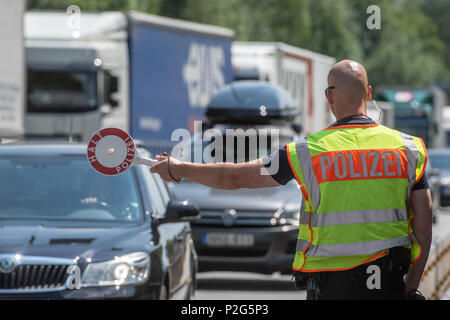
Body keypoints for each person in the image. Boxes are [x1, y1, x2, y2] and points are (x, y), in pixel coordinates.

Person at [150, 60, 432, 300]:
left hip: (331, 285)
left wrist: (180, 168)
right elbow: (424, 221)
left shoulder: (306, 151)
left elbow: (233, 177)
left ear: (329, 97)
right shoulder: (408, 149)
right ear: (368, 93)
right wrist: (411, 286)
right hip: (389, 282)